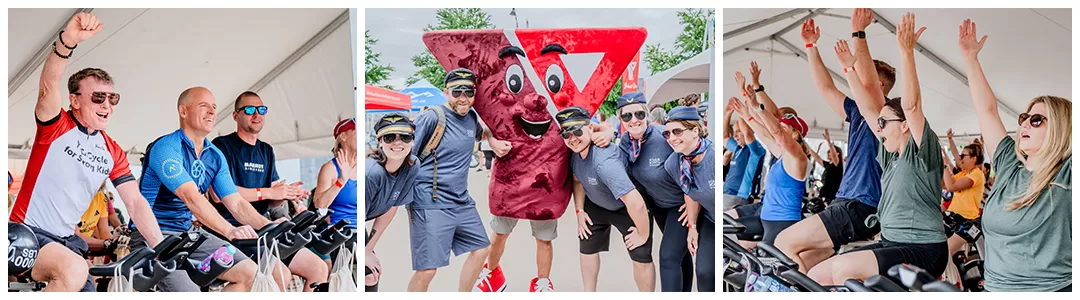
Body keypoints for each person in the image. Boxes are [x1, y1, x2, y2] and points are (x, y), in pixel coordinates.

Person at [7, 12, 167, 292]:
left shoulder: (112, 151)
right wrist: (67, 42)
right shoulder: (57, 126)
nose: (107, 105)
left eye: (112, 98)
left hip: (65, 241)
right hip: (24, 233)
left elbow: (135, 202)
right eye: (98, 97)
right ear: (75, 100)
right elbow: (47, 86)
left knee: (86, 284)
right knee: (75, 269)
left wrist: (161, 247)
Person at [807, 14, 949, 285]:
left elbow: (912, 106)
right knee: (817, 275)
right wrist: (849, 70)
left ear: (905, 125)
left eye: (884, 123)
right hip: (891, 242)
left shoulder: (923, 152)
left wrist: (906, 52)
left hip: (924, 248)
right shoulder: (889, 154)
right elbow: (866, 108)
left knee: (845, 269)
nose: (878, 128)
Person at [773, 10, 893, 273]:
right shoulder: (858, 111)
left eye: (860, 74)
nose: (854, 79)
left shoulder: (884, 113)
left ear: (880, 86)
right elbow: (826, 88)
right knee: (809, 263)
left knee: (782, 243)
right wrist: (810, 47)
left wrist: (859, 33)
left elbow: (869, 83)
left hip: (861, 206)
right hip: (847, 202)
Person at [958, 18, 1071, 292]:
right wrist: (970, 59)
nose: (1025, 124)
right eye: (1024, 117)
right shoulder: (1009, 164)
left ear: (1061, 128)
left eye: (1037, 120)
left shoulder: (1067, 173)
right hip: (994, 288)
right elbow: (987, 111)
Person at [131, 86, 263, 292]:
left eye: (214, 107)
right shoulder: (165, 148)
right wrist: (230, 230)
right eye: (204, 106)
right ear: (183, 111)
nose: (211, 111)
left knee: (251, 274)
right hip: (153, 235)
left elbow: (236, 203)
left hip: (188, 234)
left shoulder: (215, 155)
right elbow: (190, 197)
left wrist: (268, 226)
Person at [209, 91, 325, 291]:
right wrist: (270, 192)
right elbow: (219, 195)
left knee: (319, 269)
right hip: (235, 230)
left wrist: (287, 194)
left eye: (261, 110)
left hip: (265, 229)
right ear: (235, 116)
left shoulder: (266, 150)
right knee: (281, 275)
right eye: (249, 110)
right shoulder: (222, 146)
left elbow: (273, 200)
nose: (257, 114)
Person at [406, 69, 491, 292]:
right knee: (427, 270)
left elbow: (481, 133)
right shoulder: (432, 117)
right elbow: (407, 155)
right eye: (457, 92)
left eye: (468, 92)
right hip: (429, 200)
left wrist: (494, 140)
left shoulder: (471, 118)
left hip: (461, 200)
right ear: (446, 92)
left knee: (482, 249)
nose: (463, 97)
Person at [556, 106, 654, 292]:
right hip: (596, 203)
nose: (572, 138)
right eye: (566, 134)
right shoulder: (575, 153)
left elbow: (636, 203)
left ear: (590, 128)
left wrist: (643, 234)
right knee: (586, 248)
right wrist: (579, 211)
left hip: (626, 207)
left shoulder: (604, 163)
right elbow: (577, 180)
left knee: (641, 256)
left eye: (577, 131)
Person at [615, 92, 694, 292]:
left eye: (639, 114)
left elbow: (693, 161)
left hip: (681, 206)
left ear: (647, 114)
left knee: (668, 258)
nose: (634, 120)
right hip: (659, 206)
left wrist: (693, 201)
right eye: (627, 116)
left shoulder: (665, 136)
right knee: (680, 255)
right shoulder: (625, 142)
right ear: (620, 119)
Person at [726, 81, 809, 247]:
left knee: (766, 261)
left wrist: (757, 107)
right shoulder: (781, 154)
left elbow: (776, 132)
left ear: (795, 134)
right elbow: (764, 133)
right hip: (765, 217)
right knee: (723, 230)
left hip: (782, 223)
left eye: (784, 128)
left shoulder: (798, 157)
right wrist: (746, 115)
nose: (778, 130)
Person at [661, 106, 716, 292]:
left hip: (729, 219)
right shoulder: (673, 163)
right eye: (667, 134)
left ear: (695, 131)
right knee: (705, 272)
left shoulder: (714, 157)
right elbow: (690, 191)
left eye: (677, 131)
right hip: (711, 220)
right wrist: (692, 226)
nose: (671, 138)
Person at [364, 113, 419, 292]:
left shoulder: (412, 165)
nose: (397, 143)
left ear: (412, 141)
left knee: (372, 274)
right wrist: (363, 253)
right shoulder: (371, 173)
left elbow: (391, 207)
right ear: (380, 142)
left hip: (359, 223)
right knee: (365, 274)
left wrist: (368, 249)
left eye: (405, 137)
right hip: (345, 222)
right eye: (389, 138)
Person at [313, 118, 359, 268]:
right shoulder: (330, 169)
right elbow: (319, 204)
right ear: (343, 136)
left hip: (361, 231)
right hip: (340, 233)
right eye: (357, 131)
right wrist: (342, 180)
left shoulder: (366, 167)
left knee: (373, 274)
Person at [941, 140, 985, 256]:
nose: (960, 158)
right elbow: (945, 185)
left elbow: (951, 187)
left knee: (944, 255)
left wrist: (945, 165)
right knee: (944, 255)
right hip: (954, 218)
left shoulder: (976, 174)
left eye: (963, 156)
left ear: (973, 159)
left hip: (966, 221)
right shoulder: (964, 173)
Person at [722, 101, 765, 211]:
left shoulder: (756, 150)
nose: (734, 135)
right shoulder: (738, 148)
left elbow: (747, 133)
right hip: (727, 194)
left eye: (738, 132)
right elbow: (724, 138)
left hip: (739, 197)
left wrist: (742, 113)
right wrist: (727, 114)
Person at [809, 130, 844, 202]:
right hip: (824, 195)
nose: (828, 153)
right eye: (828, 152)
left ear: (838, 154)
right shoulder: (828, 165)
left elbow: (834, 155)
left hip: (831, 197)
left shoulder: (837, 165)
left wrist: (829, 142)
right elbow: (817, 158)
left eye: (830, 152)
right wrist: (806, 146)